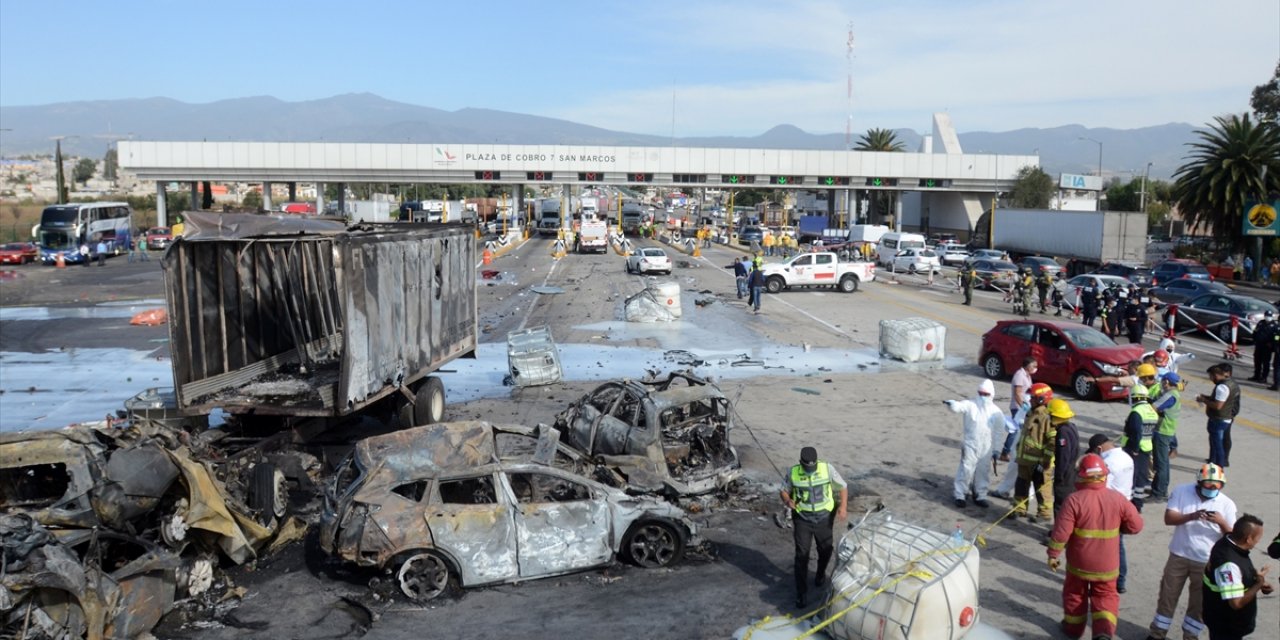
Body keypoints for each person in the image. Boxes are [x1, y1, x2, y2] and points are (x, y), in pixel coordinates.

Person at [1047, 453, 1144, 640]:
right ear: (1104, 475)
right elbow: (1136, 526)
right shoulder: (1118, 499)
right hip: (1107, 565)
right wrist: (1119, 526)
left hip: (1079, 563)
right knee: (1106, 597)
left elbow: (1061, 532)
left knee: (1075, 595)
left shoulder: (1074, 500)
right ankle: (1103, 633)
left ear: (1081, 475)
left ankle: (1073, 630)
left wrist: (1053, 554)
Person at [1147, 463, 1237, 640]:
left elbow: (1233, 537)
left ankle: (1190, 636)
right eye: (1208, 485)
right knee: (1167, 596)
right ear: (1199, 483)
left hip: (1205, 561)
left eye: (1216, 486)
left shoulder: (1227, 505)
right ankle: (1157, 634)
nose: (1212, 489)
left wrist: (1220, 522)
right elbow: (1169, 518)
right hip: (1178, 556)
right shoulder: (1182, 492)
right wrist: (1192, 516)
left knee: (1200, 604)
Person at [780, 446, 848, 609]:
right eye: (807, 467)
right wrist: (788, 501)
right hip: (802, 519)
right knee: (801, 554)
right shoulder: (793, 472)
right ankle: (801, 593)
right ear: (800, 463)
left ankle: (820, 574)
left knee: (826, 549)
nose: (810, 470)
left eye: (812, 467)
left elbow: (843, 486)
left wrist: (843, 506)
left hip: (824, 518)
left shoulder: (827, 469)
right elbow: (783, 490)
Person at [1202, 514, 1273, 639]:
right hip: (1226, 626)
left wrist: (1253, 579)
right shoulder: (1229, 565)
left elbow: (1240, 574)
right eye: (1258, 538)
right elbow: (1236, 603)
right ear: (1248, 539)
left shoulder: (1227, 541)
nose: (1259, 541)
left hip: (1223, 622)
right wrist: (1258, 584)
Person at [943, 379, 1007, 509]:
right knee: (966, 469)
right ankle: (960, 495)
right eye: (981, 393)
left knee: (983, 472)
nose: (983, 396)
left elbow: (999, 433)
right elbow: (959, 406)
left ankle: (980, 496)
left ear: (991, 395)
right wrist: (952, 404)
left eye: (986, 394)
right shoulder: (971, 405)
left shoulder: (997, 412)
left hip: (987, 447)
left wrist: (997, 450)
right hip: (970, 444)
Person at [1088, 434, 1134, 593]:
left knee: (1101, 545)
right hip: (1125, 504)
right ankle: (1120, 580)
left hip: (1108, 508)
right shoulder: (1126, 457)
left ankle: (1100, 578)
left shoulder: (1107, 462)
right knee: (1119, 544)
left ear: (1099, 449)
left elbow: (1100, 487)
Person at [1013, 383, 1056, 522]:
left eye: (1033, 398)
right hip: (1025, 459)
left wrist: (1045, 462)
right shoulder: (1031, 413)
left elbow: (1052, 442)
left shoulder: (1047, 418)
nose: (1029, 400)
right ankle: (1019, 509)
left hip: (1039, 462)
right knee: (1021, 484)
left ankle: (1044, 514)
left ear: (1042, 399)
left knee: (1042, 489)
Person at [1119, 382, 1158, 505]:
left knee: (1131, 476)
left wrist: (1134, 448)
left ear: (1134, 397)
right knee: (1141, 476)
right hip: (1147, 448)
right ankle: (1138, 502)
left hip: (1135, 449)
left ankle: (1130, 503)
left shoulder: (1136, 412)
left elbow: (1136, 432)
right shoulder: (1151, 411)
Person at [1196, 364, 1239, 469]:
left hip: (1218, 419)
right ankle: (1213, 462)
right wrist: (1206, 397)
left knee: (1217, 445)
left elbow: (1218, 405)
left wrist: (1204, 400)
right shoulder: (1232, 383)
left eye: (1210, 376)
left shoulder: (1222, 387)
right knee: (1217, 443)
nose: (1210, 379)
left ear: (1215, 375)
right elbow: (1222, 400)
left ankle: (1219, 467)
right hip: (1226, 418)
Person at [1150, 372, 1183, 501]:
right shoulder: (1174, 394)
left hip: (1162, 431)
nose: (1161, 383)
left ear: (1167, 382)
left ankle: (1159, 492)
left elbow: (1153, 407)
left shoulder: (1169, 395)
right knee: (1163, 463)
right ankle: (1161, 489)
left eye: (1163, 381)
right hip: (1167, 430)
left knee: (1160, 464)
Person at [1049, 398, 1080, 518]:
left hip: (1065, 474)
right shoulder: (1071, 427)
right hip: (1072, 471)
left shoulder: (1063, 432)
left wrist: (1059, 476)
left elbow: (1063, 457)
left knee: (1060, 504)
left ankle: (1060, 533)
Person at [1002, 357, 1038, 461]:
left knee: (1021, 430)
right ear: (1027, 365)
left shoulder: (1027, 376)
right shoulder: (1019, 375)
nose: (1035, 368)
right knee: (1014, 430)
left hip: (1024, 406)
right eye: (1034, 366)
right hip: (1018, 407)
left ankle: (1014, 450)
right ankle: (1005, 452)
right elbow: (1017, 393)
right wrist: (1023, 406)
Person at [1249, 310, 1276, 384]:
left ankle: (1264, 377)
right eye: (1267, 315)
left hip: (1267, 347)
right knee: (1257, 361)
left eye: (1269, 316)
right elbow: (1255, 331)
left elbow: (1275, 337)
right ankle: (1256, 375)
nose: (1268, 317)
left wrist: (1271, 344)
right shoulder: (1261, 323)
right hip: (1259, 345)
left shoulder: (1274, 325)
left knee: (1265, 363)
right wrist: (1254, 339)